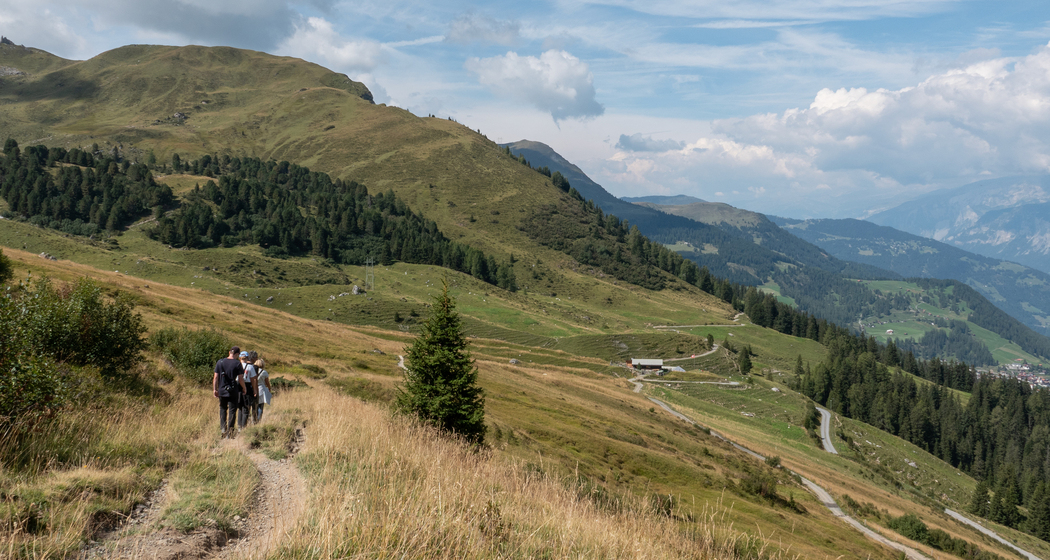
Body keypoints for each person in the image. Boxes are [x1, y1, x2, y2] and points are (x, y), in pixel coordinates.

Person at [213, 346, 246, 438]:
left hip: (222, 390)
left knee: (223, 409)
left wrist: (215, 389)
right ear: (236, 354)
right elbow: (240, 378)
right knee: (232, 411)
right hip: (233, 390)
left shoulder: (220, 362)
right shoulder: (237, 363)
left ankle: (223, 429)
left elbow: (215, 377)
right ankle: (230, 433)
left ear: (229, 352)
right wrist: (244, 388)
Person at [238, 350, 259, 428]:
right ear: (247, 358)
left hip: (238, 386)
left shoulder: (237, 365)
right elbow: (254, 379)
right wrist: (255, 390)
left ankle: (239, 425)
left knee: (240, 407)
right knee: (246, 407)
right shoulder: (250, 367)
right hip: (247, 385)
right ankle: (244, 425)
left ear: (240, 358)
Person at [255, 357, 273, 422]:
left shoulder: (253, 370)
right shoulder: (264, 372)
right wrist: (269, 388)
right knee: (260, 406)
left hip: (254, 388)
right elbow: (267, 382)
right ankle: (258, 420)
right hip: (261, 389)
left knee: (255, 406)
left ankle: (254, 419)